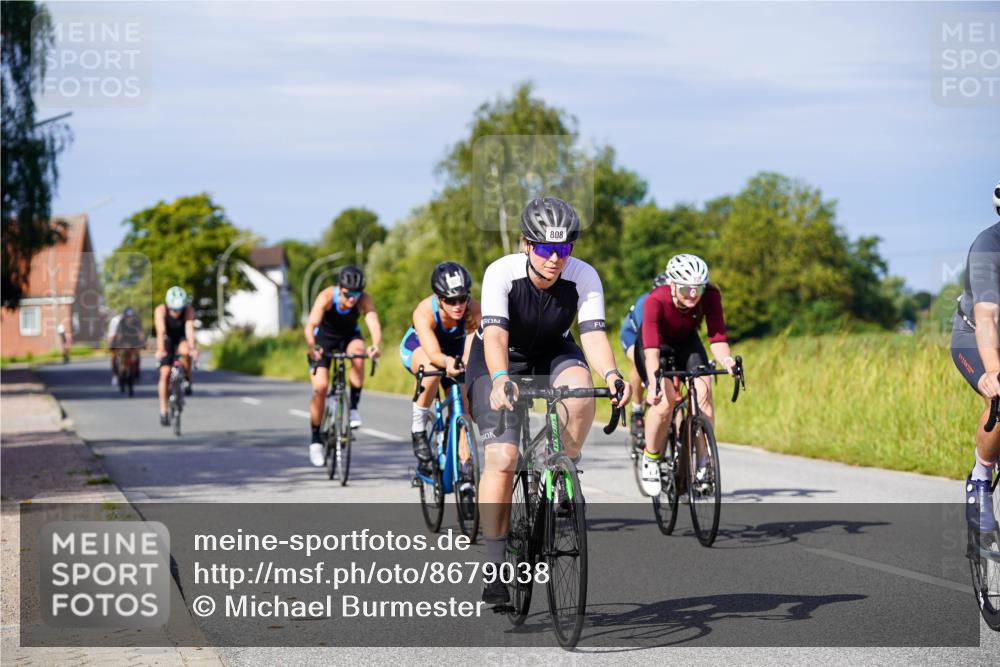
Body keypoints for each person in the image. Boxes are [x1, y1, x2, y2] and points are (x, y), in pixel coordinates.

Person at [466, 196, 631, 604]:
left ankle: (561, 465)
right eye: (545, 249)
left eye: (564, 248)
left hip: (553, 351)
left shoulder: (584, 276)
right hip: (498, 358)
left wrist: (611, 374)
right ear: (526, 244)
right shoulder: (500, 274)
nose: (556, 259)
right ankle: (494, 565)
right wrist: (502, 378)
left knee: (579, 394)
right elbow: (497, 337)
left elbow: (592, 334)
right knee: (502, 460)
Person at [637, 253, 737, 497]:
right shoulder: (655, 300)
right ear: (672, 284)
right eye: (685, 289)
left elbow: (717, 337)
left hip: (686, 343)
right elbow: (650, 352)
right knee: (664, 402)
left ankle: (703, 464)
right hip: (655, 347)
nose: (692, 295)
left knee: (704, 393)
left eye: (697, 289)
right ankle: (650, 458)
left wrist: (727, 360)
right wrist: (653, 384)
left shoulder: (711, 296)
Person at [400, 261, 481, 477]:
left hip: (454, 350)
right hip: (421, 348)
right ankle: (418, 429)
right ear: (438, 298)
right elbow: (435, 355)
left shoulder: (474, 308)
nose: (458, 305)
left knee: (464, 406)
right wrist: (447, 363)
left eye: (462, 298)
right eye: (450, 300)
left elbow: (472, 346)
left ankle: (465, 470)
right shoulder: (424, 311)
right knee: (431, 371)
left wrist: (464, 362)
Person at [951, 180, 1000, 533]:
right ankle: (980, 480)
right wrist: (994, 371)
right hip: (973, 337)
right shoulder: (988, 247)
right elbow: (987, 318)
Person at [304, 265, 382, 467]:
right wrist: (313, 347)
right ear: (340, 288)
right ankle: (315, 440)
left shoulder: (363, 299)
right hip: (323, 341)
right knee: (320, 388)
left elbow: (372, 321)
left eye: (356, 295)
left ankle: (354, 408)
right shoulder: (327, 296)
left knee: (358, 353)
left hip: (349, 337)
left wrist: (376, 345)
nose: (352, 299)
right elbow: (311, 324)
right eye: (348, 294)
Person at [619, 272, 669, 430]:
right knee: (640, 362)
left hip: (658, 337)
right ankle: (637, 408)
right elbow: (646, 340)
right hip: (633, 336)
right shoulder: (646, 302)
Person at [155, 287, 198, 425]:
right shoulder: (160, 310)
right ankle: (163, 410)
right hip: (167, 338)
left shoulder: (188, 310)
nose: (177, 313)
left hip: (181, 337)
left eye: (180, 309)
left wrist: (192, 348)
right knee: (165, 374)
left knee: (186, 352)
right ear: (168, 305)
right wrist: (161, 349)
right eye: (174, 309)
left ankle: (186, 379)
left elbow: (190, 329)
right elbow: (161, 331)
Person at [107, 306, 146, 384]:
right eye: (128, 317)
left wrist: (143, 343)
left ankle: (136, 374)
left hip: (133, 341)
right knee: (115, 355)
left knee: (136, 355)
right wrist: (112, 345)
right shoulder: (118, 321)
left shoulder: (137, 321)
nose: (130, 319)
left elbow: (141, 334)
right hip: (121, 340)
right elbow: (114, 335)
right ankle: (115, 375)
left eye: (131, 317)